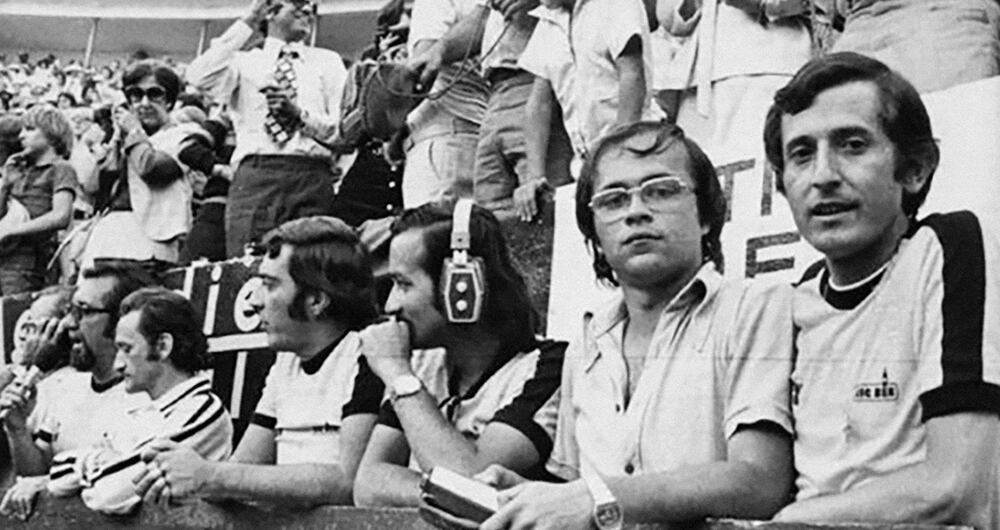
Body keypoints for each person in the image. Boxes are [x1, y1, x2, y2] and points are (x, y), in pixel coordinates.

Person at [451, 121, 793, 530]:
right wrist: (525, 492)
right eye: (612, 200)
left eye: (662, 191)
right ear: (594, 235)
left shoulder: (755, 307)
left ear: (705, 215)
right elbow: (577, 490)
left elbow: (759, 481)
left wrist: (593, 498)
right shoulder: (588, 340)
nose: (636, 211)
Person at [763, 52, 1000, 528]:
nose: (823, 175)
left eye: (852, 145)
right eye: (802, 153)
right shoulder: (795, 300)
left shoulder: (948, 248)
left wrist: (792, 521)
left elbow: (958, 490)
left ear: (914, 169)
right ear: (783, 187)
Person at [136, 216, 381, 507]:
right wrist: (178, 472)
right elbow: (244, 466)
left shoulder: (368, 353)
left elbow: (347, 482)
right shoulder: (285, 363)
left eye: (269, 284)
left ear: (316, 301)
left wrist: (210, 476)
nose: (255, 301)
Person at [352, 200, 566, 507]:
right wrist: (443, 491)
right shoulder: (421, 363)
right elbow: (368, 485)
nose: (390, 306)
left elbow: (470, 483)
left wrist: (400, 377)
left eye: (403, 284)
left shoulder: (548, 367)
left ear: (459, 286)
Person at [186, 0, 348, 258]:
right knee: (248, 264)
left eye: (310, 5)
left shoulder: (328, 62)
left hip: (311, 174)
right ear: (270, 10)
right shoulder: (243, 62)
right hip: (256, 176)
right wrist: (250, 18)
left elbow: (343, 131)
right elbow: (198, 75)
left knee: (309, 264)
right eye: (297, 3)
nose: (307, 9)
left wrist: (298, 116)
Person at [0, 260, 156, 520]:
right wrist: (17, 431)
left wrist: (50, 484)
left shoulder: (147, 398)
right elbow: (32, 479)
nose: (68, 324)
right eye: (70, 310)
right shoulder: (63, 386)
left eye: (84, 312)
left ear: (123, 320)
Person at [61, 287, 232, 515]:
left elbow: (109, 493)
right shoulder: (139, 407)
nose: (117, 365)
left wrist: (91, 463)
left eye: (127, 349)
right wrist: (102, 460)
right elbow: (56, 474)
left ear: (163, 346)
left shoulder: (202, 410)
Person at [407, 0, 575, 223]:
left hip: (533, 84)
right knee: (491, 216)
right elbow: (483, 16)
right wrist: (438, 51)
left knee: (544, 204)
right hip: (494, 93)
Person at [79, 60, 217, 268]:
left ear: (169, 101)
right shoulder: (127, 138)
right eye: (136, 95)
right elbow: (93, 186)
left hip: (154, 235)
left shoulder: (184, 134)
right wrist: (118, 138)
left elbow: (152, 169)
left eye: (154, 94)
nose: (144, 103)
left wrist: (134, 131)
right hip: (110, 229)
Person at [518, 0, 663, 184]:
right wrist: (534, 177)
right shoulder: (548, 23)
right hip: (588, 165)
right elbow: (539, 104)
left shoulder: (614, 5)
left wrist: (620, 152)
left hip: (640, 151)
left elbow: (632, 75)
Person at [398, 0, 490, 208]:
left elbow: (420, 71)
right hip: (467, 132)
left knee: (431, 234)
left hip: (446, 139)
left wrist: (394, 130)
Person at [0, 104, 77, 295]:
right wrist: (6, 184)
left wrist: (12, 231)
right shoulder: (20, 169)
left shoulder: (61, 168)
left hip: (28, 259)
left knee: (12, 310)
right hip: (6, 252)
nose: (21, 136)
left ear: (51, 134)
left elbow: (61, 215)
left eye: (30, 129)